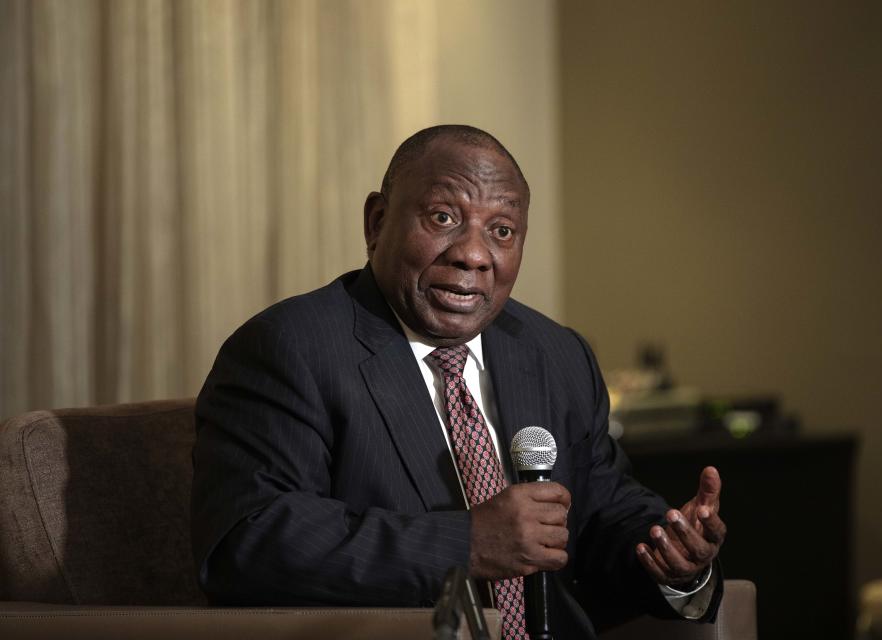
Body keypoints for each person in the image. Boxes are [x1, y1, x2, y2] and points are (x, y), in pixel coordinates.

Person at [191, 125, 726, 639]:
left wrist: (672, 556)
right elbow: (249, 543)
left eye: (502, 231)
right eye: (444, 217)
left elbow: (603, 511)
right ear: (376, 222)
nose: (473, 254)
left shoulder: (554, 353)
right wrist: (465, 544)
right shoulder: (290, 347)